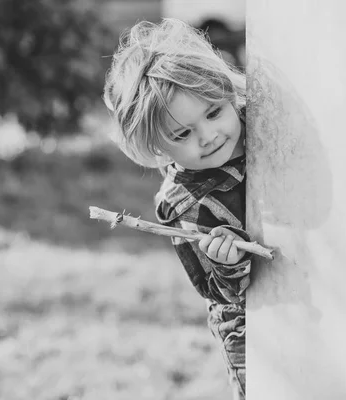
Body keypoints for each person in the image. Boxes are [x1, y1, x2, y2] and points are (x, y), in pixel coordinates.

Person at [103, 18, 250, 399]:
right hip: (248, 330)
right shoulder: (183, 205)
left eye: (214, 113)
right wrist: (227, 262)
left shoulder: (259, 124)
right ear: (157, 147)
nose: (209, 136)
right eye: (182, 134)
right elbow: (218, 292)